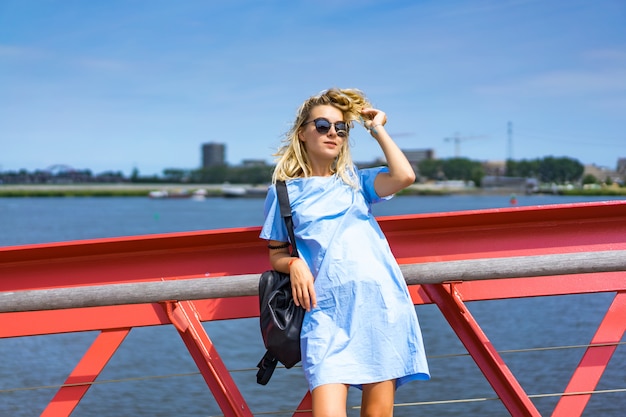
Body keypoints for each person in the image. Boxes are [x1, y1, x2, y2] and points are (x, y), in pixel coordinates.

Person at [260, 88, 430, 417]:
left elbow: (404, 176)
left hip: (379, 309)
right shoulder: (283, 192)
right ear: (303, 132)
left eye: (341, 128)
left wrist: (377, 127)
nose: (333, 134)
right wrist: (293, 263)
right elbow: (275, 253)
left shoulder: (356, 182)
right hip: (325, 314)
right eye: (322, 125)